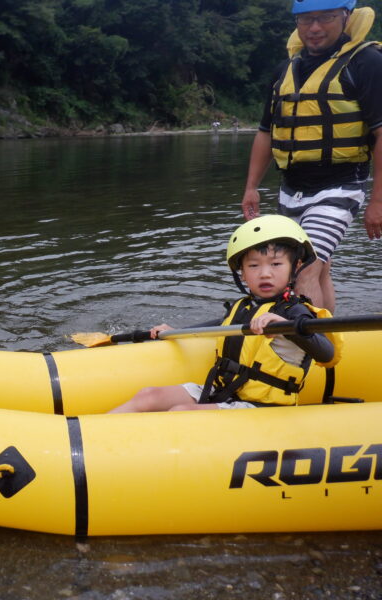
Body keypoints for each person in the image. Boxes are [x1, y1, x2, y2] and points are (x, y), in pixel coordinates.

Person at [110, 215, 341, 413]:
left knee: (181, 412)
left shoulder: (296, 311)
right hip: (226, 392)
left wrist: (288, 327)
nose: (265, 274)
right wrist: (177, 332)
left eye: (276, 264)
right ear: (242, 273)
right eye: (253, 266)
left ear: (296, 266)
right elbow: (222, 324)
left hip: (262, 408)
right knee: (148, 396)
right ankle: (86, 438)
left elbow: (326, 353)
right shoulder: (244, 305)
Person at [241, 0, 382, 314]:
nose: (315, 28)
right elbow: (266, 131)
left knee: (301, 267)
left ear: (345, 17)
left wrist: (378, 200)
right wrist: (251, 187)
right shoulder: (285, 70)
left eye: (325, 18)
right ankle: (328, 341)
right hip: (291, 188)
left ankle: (305, 348)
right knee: (320, 266)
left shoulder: (367, 62)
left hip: (341, 186)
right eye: (306, 20)